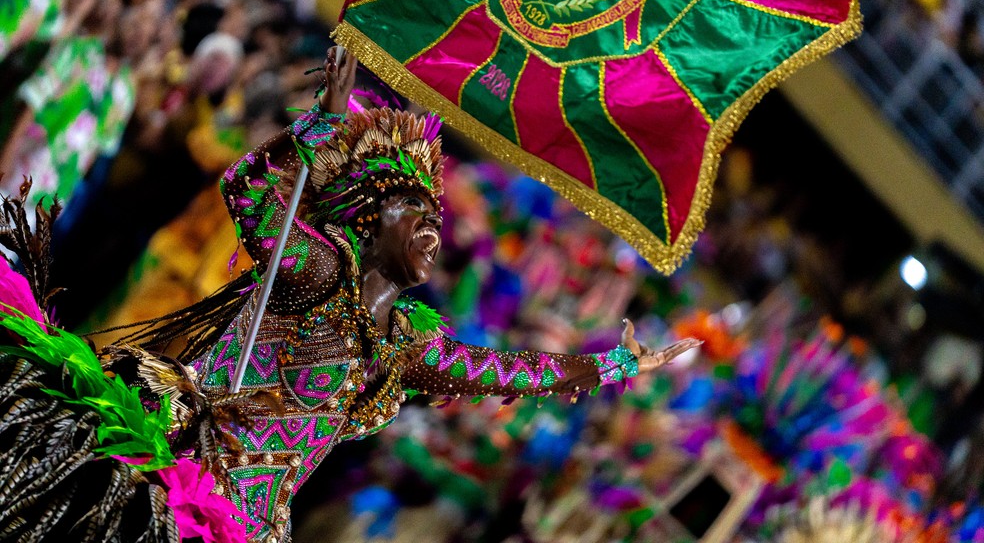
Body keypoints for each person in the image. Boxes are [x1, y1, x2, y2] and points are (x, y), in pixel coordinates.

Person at [145, 49, 698, 542]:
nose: (434, 226)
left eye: (438, 215)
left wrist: (617, 363)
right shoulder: (320, 271)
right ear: (368, 218)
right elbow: (248, 193)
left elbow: (503, 371)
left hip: (247, 526)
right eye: (415, 210)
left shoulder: (405, 344)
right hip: (173, 481)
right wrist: (320, 128)